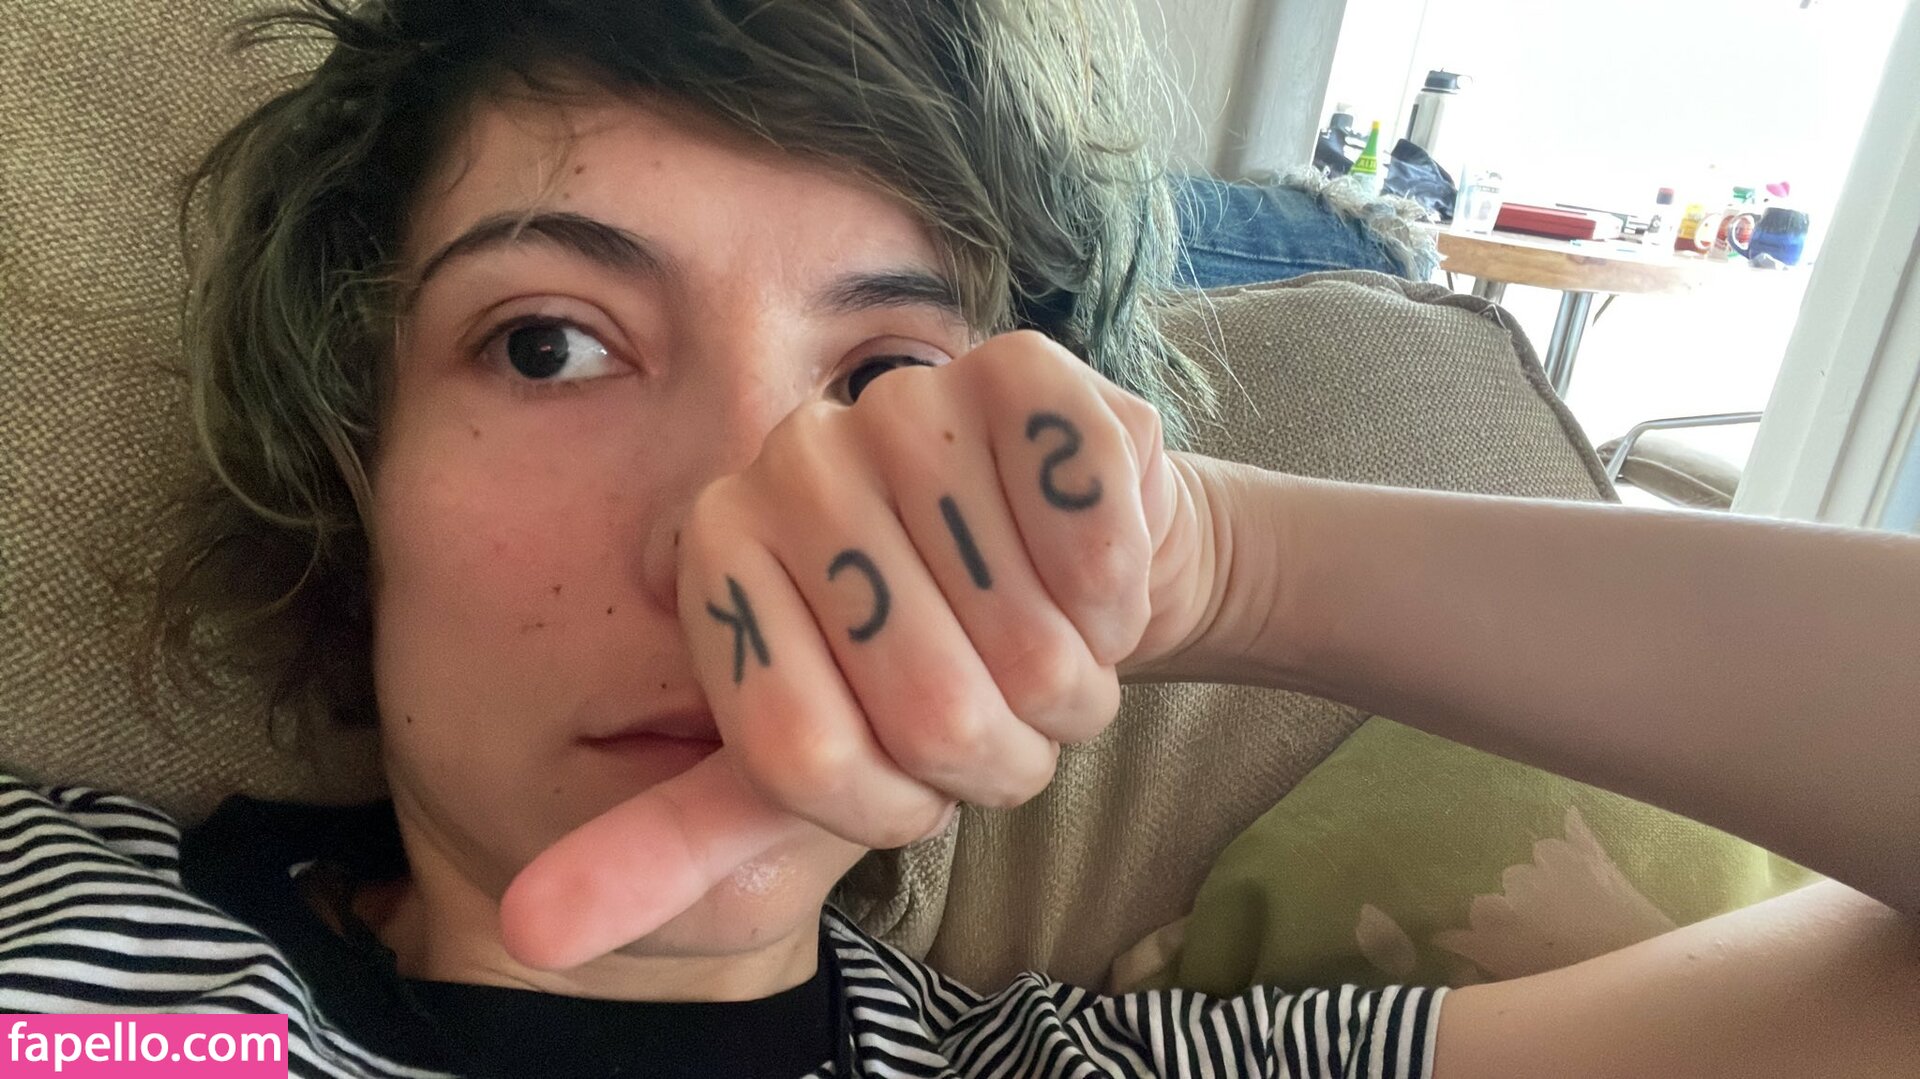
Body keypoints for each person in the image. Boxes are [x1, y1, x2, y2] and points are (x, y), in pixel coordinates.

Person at [2, 1, 1916, 1076]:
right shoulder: (55, 953)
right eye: (550, 344)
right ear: (356, 460)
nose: (734, 536)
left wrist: (1214, 565)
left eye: (884, 379)